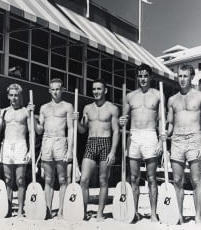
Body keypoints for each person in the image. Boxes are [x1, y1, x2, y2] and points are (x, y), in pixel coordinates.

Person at [166, 64, 201, 224]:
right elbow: (170, 124)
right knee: (177, 180)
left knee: (196, 180)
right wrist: (166, 133)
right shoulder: (172, 99)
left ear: (191, 77)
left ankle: (198, 216)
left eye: (185, 76)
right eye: (180, 76)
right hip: (177, 140)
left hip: (194, 139)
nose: (182, 79)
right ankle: (179, 215)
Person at [119, 64, 163, 222]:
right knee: (134, 178)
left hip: (150, 135)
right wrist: (121, 120)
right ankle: (134, 212)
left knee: (152, 178)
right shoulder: (130, 96)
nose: (143, 79)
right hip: (134, 135)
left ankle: (152, 213)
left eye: (145, 76)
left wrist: (161, 142)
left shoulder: (158, 95)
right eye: (140, 76)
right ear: (137, 77)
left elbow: (162, 120)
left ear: (150, 77)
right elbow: (123, 119)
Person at [73, 79, 119, 221]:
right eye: (94, 89)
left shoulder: (112, 108)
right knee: (84, 180)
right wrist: (76, 121)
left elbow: (116, 131)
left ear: (105, 90)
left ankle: (100, 213)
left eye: (99, 89)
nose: (96, 92)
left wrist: (112, 151)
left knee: (103, 180)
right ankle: (83, 211)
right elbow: (82, 130)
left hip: (106, 143)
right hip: (91, 142)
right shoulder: (87, 108)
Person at [30, 78, 74, 219]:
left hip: (61, 142)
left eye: (58, 89)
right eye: (53, 89)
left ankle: (61, 210)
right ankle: (48, 209)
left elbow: (71, 129)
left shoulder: (67, 106)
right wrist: (32, 117)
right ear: (49, 90)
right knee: (48, 180)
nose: (55, 92)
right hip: (47, 142)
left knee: (62, 179)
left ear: (62, 90)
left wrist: (70, 150)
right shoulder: (44, 108)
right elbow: (38, 130)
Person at [0, 83, 31, 217]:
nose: (14, 98)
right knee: (8, 180)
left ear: (20, 96)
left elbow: (32, 133)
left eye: (16, 95)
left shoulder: (26, 111)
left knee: (20, 180)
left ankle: (20, 209)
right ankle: (7, 208)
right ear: (8, 96)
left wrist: (31, 151)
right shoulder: (3, 112)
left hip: (21, 144)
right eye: (11, 95)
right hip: (7, 145)